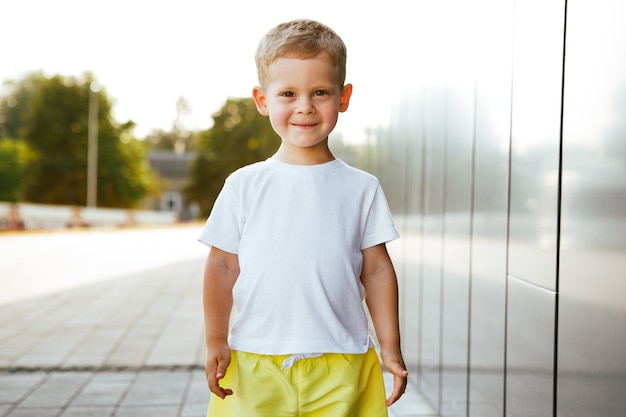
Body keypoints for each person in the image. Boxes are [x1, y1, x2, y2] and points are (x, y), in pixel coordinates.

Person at [198, 18, 408, 416]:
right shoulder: (244, 185)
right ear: (262, 100)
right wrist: (215, 341)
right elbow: (222, 265)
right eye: (288, 93)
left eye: (320, 92)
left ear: (343, 97)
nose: (305, 106)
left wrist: (390, 345)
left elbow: (378, 271)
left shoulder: (362, 188)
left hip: (344, 362)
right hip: (256, 360)